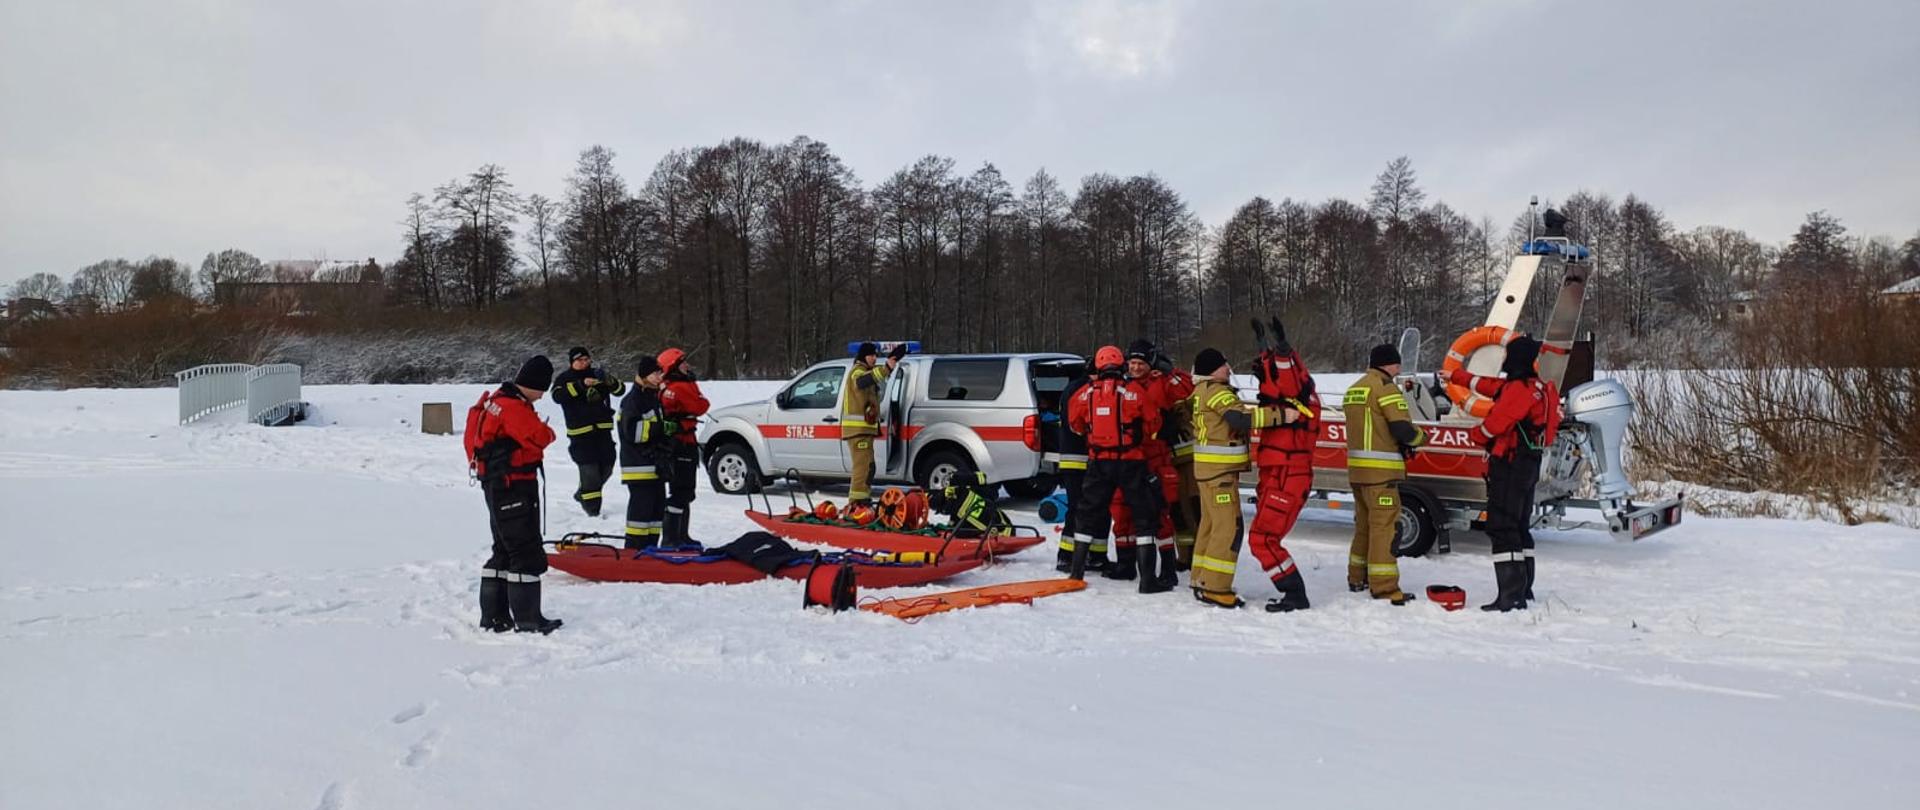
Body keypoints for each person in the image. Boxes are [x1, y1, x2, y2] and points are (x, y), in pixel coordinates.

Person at [1444, 335, 1561, 611]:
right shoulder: (1542, 388)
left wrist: (1476, 435)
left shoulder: (1519, 389)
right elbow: (1492, 386)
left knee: (1501, 526)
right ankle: (1524, 589)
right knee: (1519, 526)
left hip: (1510, 463)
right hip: (1529, 463)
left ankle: (1510, 596)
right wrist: (1457, 377)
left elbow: (1496, 424)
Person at [1066, 345, 1172, 592]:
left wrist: (1094, 435)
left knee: (1087, 514)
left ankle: (1076, 571)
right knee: (1144, 517)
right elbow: (1153, 420)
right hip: (1131, 462)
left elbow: (1075, 425)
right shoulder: (1133, 391)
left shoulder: (1084, 394)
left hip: (1099, 463)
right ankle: (1147, 581)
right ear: (1122, 365)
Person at [467, 355, 561, 634]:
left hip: (495, 483)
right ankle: (529, 619)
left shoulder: (493, 401)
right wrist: (547, 431)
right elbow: (539, 437)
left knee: (503, 550)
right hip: (514, 484)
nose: (542, 396)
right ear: (532, 384)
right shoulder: (513, 407)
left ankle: (495, 616)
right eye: (542, 389)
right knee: (525, 551)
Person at [1185, 349, 1271, 608]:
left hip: (1207, 472)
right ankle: (1216, 587)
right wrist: (1280, 416)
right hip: (1219, 473)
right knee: (1229, 528)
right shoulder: (1218, 391)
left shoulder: (1200, 391)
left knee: (1210, 526)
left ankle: (1201, 578)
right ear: (1213, 369)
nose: (1228, 368)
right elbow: (1240, 418)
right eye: (1224, 365)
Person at [1342, 344, 1427, 605]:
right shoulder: (1386, 388)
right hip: (1382, 474)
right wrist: (1420, 438)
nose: (1399, 368)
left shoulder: (1354, 388)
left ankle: (1357, 577)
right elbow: (1401, 427)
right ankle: (1385, 586)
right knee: (1385, 530)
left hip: (1358, 472)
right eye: (1396, 364)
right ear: (1388, 364)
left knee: (1364, 527)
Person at [1246, 325, 1321, 612]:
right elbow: (1280, 381)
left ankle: (1294, 593)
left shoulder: (1296, 399)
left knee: (1263, 539)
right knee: (1263, 538)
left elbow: (1287, 378)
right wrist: (1266, 350)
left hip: (1288, 475)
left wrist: (1282, 351)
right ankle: (1292, 592)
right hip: (1278, 474)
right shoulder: (1294, 396)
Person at [1104, 339, 1190, 582]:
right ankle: (1126, 565)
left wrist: (1169, 370)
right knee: (1121, 513)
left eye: (1140, 363)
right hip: (1127, 459)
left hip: (1155, 458)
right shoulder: (1120, 386)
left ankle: (1168, 569)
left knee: (1159, 514)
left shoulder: (1159, 382)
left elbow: (1186, 389)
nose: (1135, 367)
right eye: (1132, 362)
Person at [549, 346, 625, 516]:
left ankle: (582, 493)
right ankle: (593, 512)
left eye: (586, 360)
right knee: (590, 471)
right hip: (580, 434)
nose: (584, 363)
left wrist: (608, 380)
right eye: (579, 360)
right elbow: (556, 397)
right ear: (572, 362)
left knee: (607, 468)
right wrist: (580, 385)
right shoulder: (564, 378)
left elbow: (620, 390)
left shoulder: (598, 375)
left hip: (603, 431)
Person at [1050, 362, 1108, 572]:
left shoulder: (1072, 388)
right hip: (1081, 457)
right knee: (1082, 508)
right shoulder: (1084, 390)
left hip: (1074, 457)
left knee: (1088, 507)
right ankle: (1068, 556)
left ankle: (1092, 555)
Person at [841, 341, 907, 507]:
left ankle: (863, 499)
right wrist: (887, 368)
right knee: (862, 468)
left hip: (865, 430)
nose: (874, 358)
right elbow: (863, 381)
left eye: (876, 355)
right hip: (857, 432)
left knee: (869, 468)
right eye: (871, 355)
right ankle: (856, 503)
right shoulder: (857, 372)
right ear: (864, 356)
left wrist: (892, 361)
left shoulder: (867, 372)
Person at [616, 355, 671, 550]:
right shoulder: (632, 400)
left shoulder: (651, 398)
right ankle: (633, 551)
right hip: (638, 467)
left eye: (660, 373)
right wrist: (661, 428)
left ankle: (651, 549)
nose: (659, 377)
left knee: (656, 512)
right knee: (640, 514)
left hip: (654, 466)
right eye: (655, 373)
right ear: (643, 375)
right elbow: (633, 432)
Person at [657, 347, 710, 546]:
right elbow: (701, 406)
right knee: (682, 492)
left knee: (684, 491)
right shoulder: (679, 387)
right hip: (681, 444)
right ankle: (672, 539)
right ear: (673, 367)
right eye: (683, 363)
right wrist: (694, 387)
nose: (687, 366)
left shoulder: (669, 386)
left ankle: (681, 536)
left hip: (682, 442)